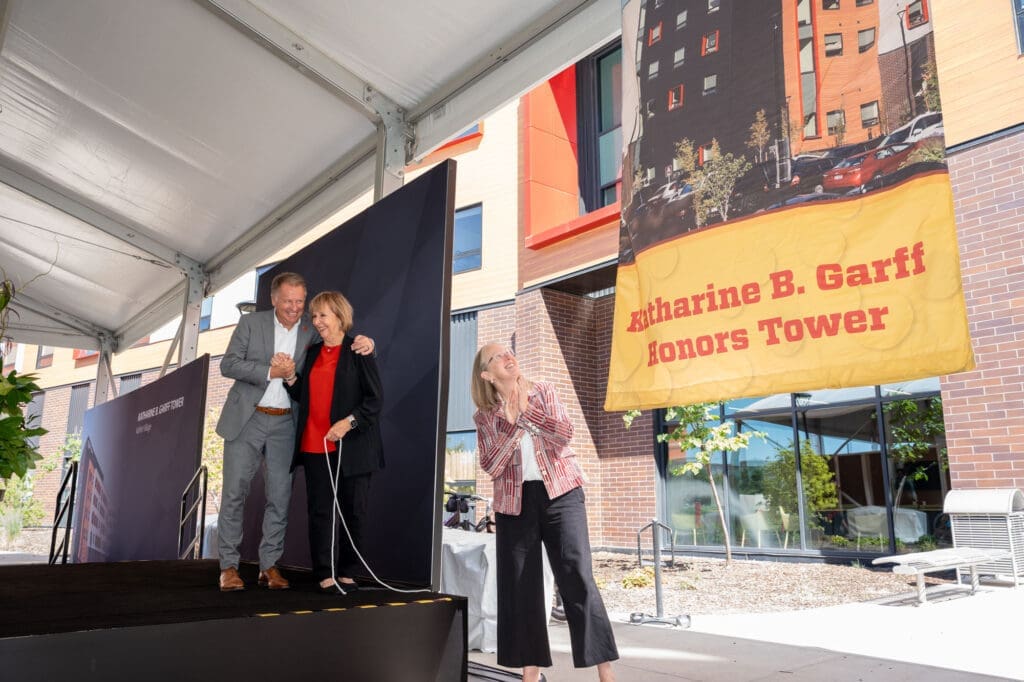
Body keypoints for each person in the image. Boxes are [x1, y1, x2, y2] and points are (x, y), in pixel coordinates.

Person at [216, 272, 374, 592]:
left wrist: (365, 341)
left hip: (286, 424)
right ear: (274, 299)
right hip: (247, 419)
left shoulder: (309, 329)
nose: (295, 307)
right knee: (234, 494)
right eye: (288, 301)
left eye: (300, 301)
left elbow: (336, 338)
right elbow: (228, 364)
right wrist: (270, 371)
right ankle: (229, 567)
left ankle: (269, 566)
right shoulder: (251, 324)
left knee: (280, 497)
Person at [471, 343, 617, 682]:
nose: (508, 357)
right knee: (522, 588)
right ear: (486, 375)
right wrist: (512, 421)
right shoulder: (484, 416)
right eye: (498, 357)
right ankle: (530, 673)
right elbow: (491, 464)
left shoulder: (544, 391)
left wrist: (525, 413)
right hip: (514, 502)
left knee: (577, 575)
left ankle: (605, 671)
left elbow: (563, 433)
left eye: (509, 352)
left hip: (561, 493)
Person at [284, 291, 383, 593]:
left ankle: (348, 572)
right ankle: (324, 572)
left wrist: (348, 423)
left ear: (340, 316)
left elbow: (374, 400)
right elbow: (306, 396)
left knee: (353, 511)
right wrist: (290, 379)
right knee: (320, 512)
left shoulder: (358, 350)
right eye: (314, 316)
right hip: (315, 446)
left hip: (353, 447)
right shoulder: (312, 353)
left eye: (323, 315)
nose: (317, 321)